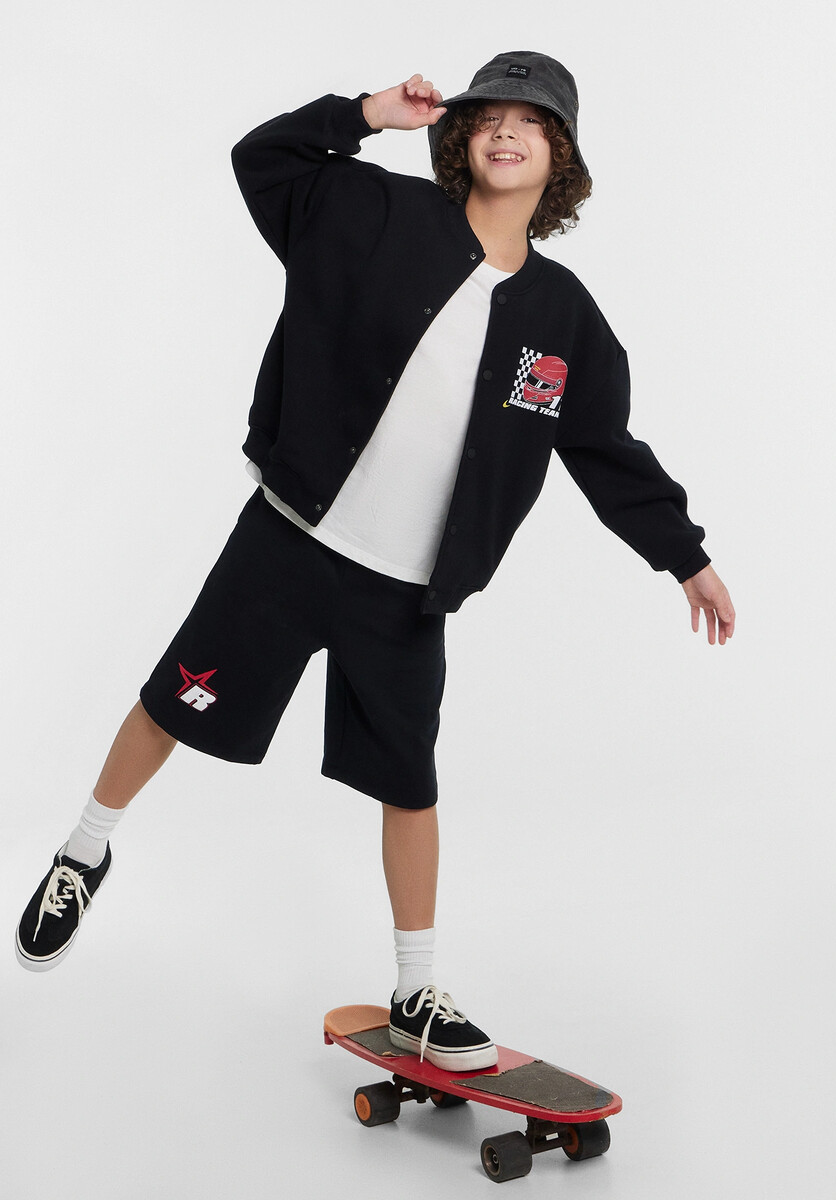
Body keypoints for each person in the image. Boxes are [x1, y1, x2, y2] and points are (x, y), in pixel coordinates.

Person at [15, 51, 734, 1071]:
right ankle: (83, 851)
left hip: (405, 593)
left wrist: (684, 557)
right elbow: (262, 161)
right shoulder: (378, 214)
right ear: (462, 136)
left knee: (410, 784)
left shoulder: (564, 319)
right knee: (175, 701)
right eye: (491, 115)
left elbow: (606, 449)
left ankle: (414, 992)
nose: (507, 130)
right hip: (288, 541)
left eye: (534, 122)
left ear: (561, 159)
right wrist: (363, 113)